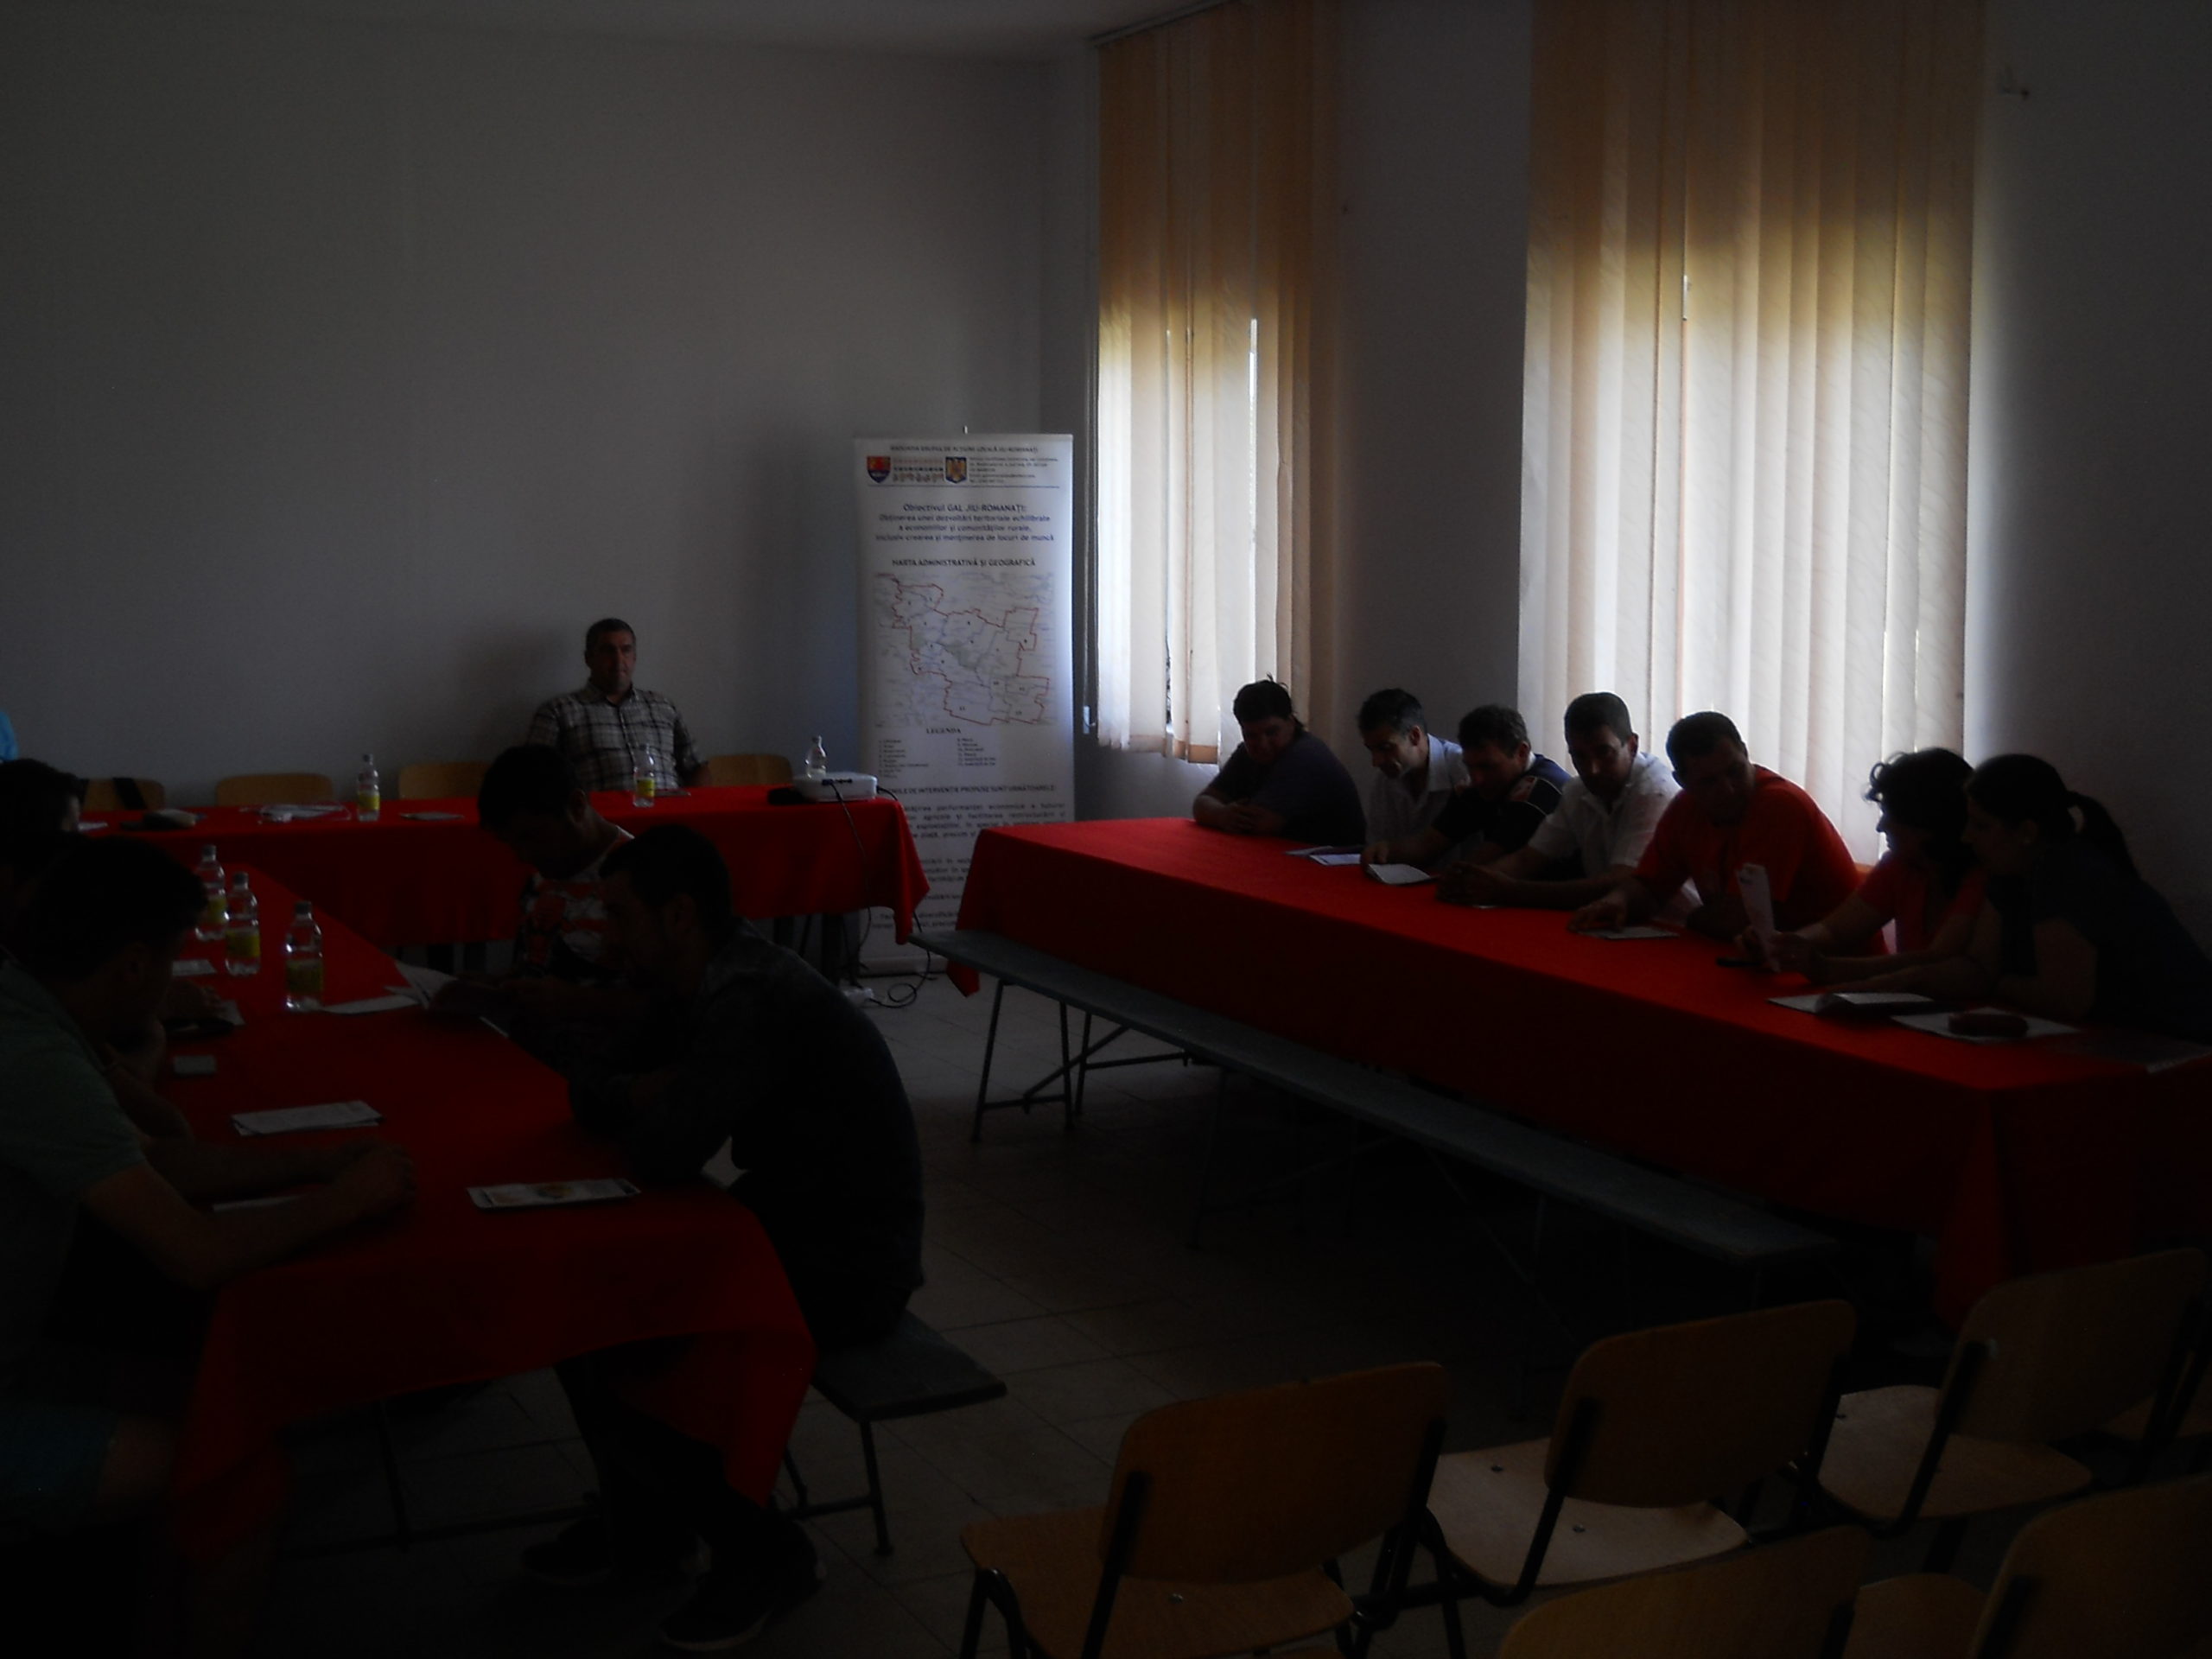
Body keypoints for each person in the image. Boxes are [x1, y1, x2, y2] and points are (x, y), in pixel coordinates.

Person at [1, 838, 413, 1651]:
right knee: (234, 1473)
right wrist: (348, 1199)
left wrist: (318, 1162)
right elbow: (196, 1252)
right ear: (132, 966)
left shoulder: (27, 1005)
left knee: (191, 1391)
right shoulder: (32, 1057)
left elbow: (158, 1156)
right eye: (169, 961)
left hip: (21, 1350)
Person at [526, 825, 924, 1649]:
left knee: (624, 1330)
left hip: (851, 1260)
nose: (605, 937)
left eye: (619, 915)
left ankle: (767, 1556)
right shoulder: (688, 977)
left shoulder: (749, 996)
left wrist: (643, 1094)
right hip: (782, 1220)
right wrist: (649, 1088)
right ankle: (650, 1530)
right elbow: (591, 1095)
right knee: (590, 1315)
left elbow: (662, 1150)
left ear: (678, 914)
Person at [1840, 755, 2212, 1039]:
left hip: (2178, 1046)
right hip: (2115, 1039)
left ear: (2027, 832)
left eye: (1981, 825)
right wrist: (1904, 980)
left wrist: (1994, 981)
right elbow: (1978, 967)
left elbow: (2062, 999)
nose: (1966, 837)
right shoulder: (2006, 873)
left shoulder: (2068, 873)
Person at [1571, 712, 1859, 940]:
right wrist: (1617, 901)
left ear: (1745, 752)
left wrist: (1693, 918)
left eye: (1735, 771)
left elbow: (1737, 920)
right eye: (1709, 782)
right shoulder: (1685, 807)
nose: (1728, 789)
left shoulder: (1780, 805)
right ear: (1682, 781)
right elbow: (1649, 886)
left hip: (1836, 966)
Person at [1435, 692, 1680, 912]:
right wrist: (1472, 883)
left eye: (1604, 752)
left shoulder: (1654, 791)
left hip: (1673, 926)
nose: (1592, 769)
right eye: (1579, 756)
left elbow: (1622, 882)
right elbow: (1527, 859)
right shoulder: (1577, 791)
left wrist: (1511, 890)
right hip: (1612, 920)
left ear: (1633, 746)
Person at [1761, 749, 1981, 982]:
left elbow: (1936, 960)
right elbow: (1835, 930)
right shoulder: (1899, 865)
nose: (1880, 826)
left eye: (1889, 815)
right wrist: (1785, 943)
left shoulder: (1980, 878)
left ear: (1924, 823)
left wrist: (1827, 968)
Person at [1366, 705, 1569, 875]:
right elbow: (1429, 844)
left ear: (1522, 753)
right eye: (1470, 766)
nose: (1477, 778)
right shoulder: (1478, 785)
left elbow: (1482, 866)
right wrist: (1387, 851)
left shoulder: (1542, 789)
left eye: (1487, 766)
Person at [526, 617, 706, 794]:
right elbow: (532, 776)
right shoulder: (558, 711)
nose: (619, 659)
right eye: (608, 651)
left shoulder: (663, 707)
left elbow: (696, 767)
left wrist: (696, 806)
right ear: (589, 658)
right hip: (599, 812)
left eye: (626, 650)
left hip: (668, 809)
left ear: (634, 657)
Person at [1192, 679, 1364, 846]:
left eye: (1271, 732)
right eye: (1251, 735)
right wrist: (1221, 814)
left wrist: (1220, 814)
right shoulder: (1247, 752)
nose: (1263, 744)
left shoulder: (1305, 757)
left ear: (1291, 723)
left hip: (1335, 860)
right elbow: (1201, 803)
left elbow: (1257, 826)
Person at [1355, 688, 1469, 844]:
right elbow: (1377, 845)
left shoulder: (1464, 769)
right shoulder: (1385, 782)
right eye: (1371, 750)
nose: (1376, 762)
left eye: (1386, 748)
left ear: (1415, 736)